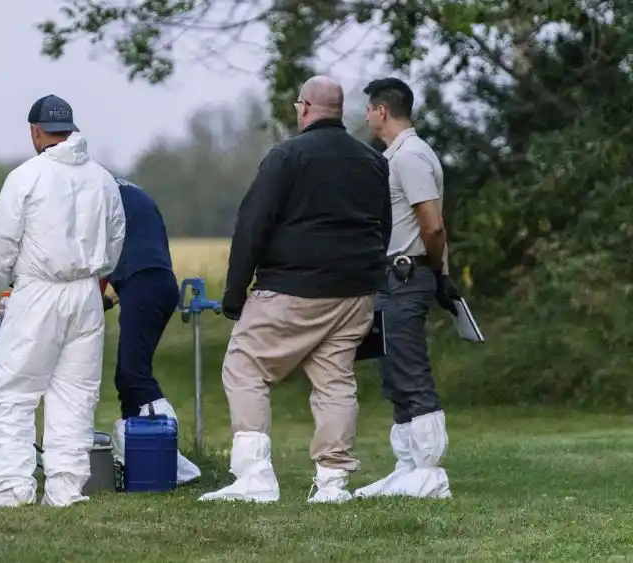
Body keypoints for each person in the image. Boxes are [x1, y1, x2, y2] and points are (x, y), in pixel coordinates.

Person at [200, 75, 391, 505]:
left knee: (245, 365)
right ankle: (332, 482)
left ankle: (254, 475)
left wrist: (234, 295)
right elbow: (384, 224)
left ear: (303, 108)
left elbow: (253, 224)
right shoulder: (372, 160)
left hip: (294, 287)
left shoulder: (287, 156)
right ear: (339, 110)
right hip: (356, 290)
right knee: (335, 379)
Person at [0, 94, 126, 508]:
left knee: (13, 390)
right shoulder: (103, 178)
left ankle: (12, 485)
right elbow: (115, 240)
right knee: (75, 393)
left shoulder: (27, 176)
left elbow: (1, 238)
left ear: (35, 131)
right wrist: (97, 275)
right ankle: (64, 487)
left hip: (38, 291)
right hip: (86, 296)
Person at [355, 77, 460, 500]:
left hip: (405, 276)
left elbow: (432, 225)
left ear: (382, 110)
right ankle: (408, 466)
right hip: (390, 279)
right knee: (393, 371)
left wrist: (439, 273)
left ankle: (430, 472)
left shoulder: (411, 156)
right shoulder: (394, 156)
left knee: (410, 371)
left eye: (368, 109)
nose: (365, 116)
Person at [104, 178, 202, 484]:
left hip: (143, 282)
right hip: (152, 281)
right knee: (128, 375)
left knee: (134, 374)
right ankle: (139, 459)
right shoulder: (127, 190)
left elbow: (92, 259)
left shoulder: (95, 192)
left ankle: (171, 461)